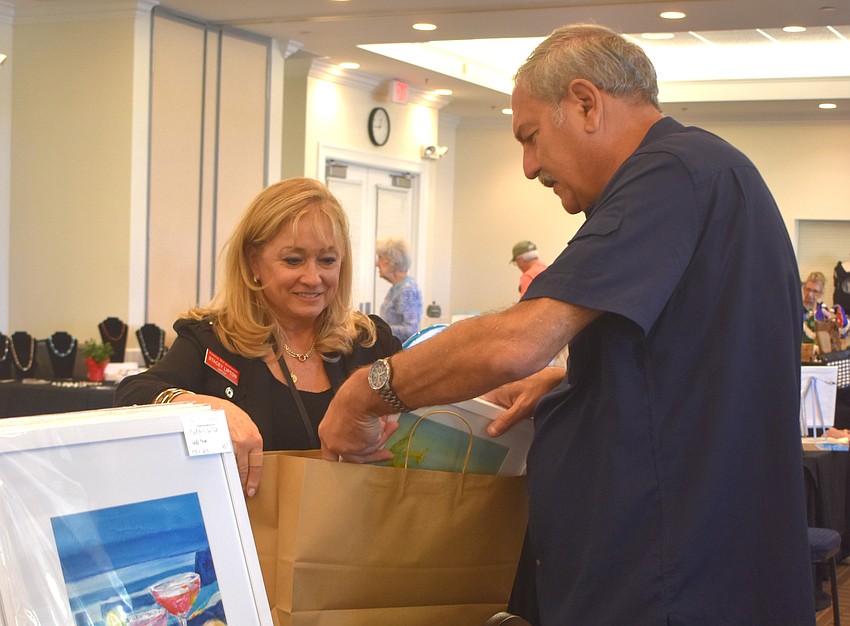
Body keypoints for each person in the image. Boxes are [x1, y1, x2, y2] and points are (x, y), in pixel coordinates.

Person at [318, 23, 813, 626]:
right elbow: (694, 368)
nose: (529, 167)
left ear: (585, 104)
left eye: (530, 138)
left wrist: (366, 392)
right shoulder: (707, 175)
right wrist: (577, 385)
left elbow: (515, 343)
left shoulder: (668, 175)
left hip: (668, 580)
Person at [115, 178, 402, 497]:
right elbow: (133, 394)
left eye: (327, 260)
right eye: (293, 260)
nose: (313, 277)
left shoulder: (369, 341)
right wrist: (209, 410)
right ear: (254, 261)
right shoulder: (213, 339)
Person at [375, 237, 423, 343]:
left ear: (393, 262)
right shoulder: (398, 287)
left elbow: (410, 330)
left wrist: (378, 330)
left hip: (402, 349)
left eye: (380, 258)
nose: (377, 263)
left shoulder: (407, 289)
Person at [802, 271, 826, 345]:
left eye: (815, 291)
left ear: (821, 293)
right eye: (808, 289)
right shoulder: (796, 310)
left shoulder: (824, 313)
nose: (810, 294)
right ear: (803, 289)